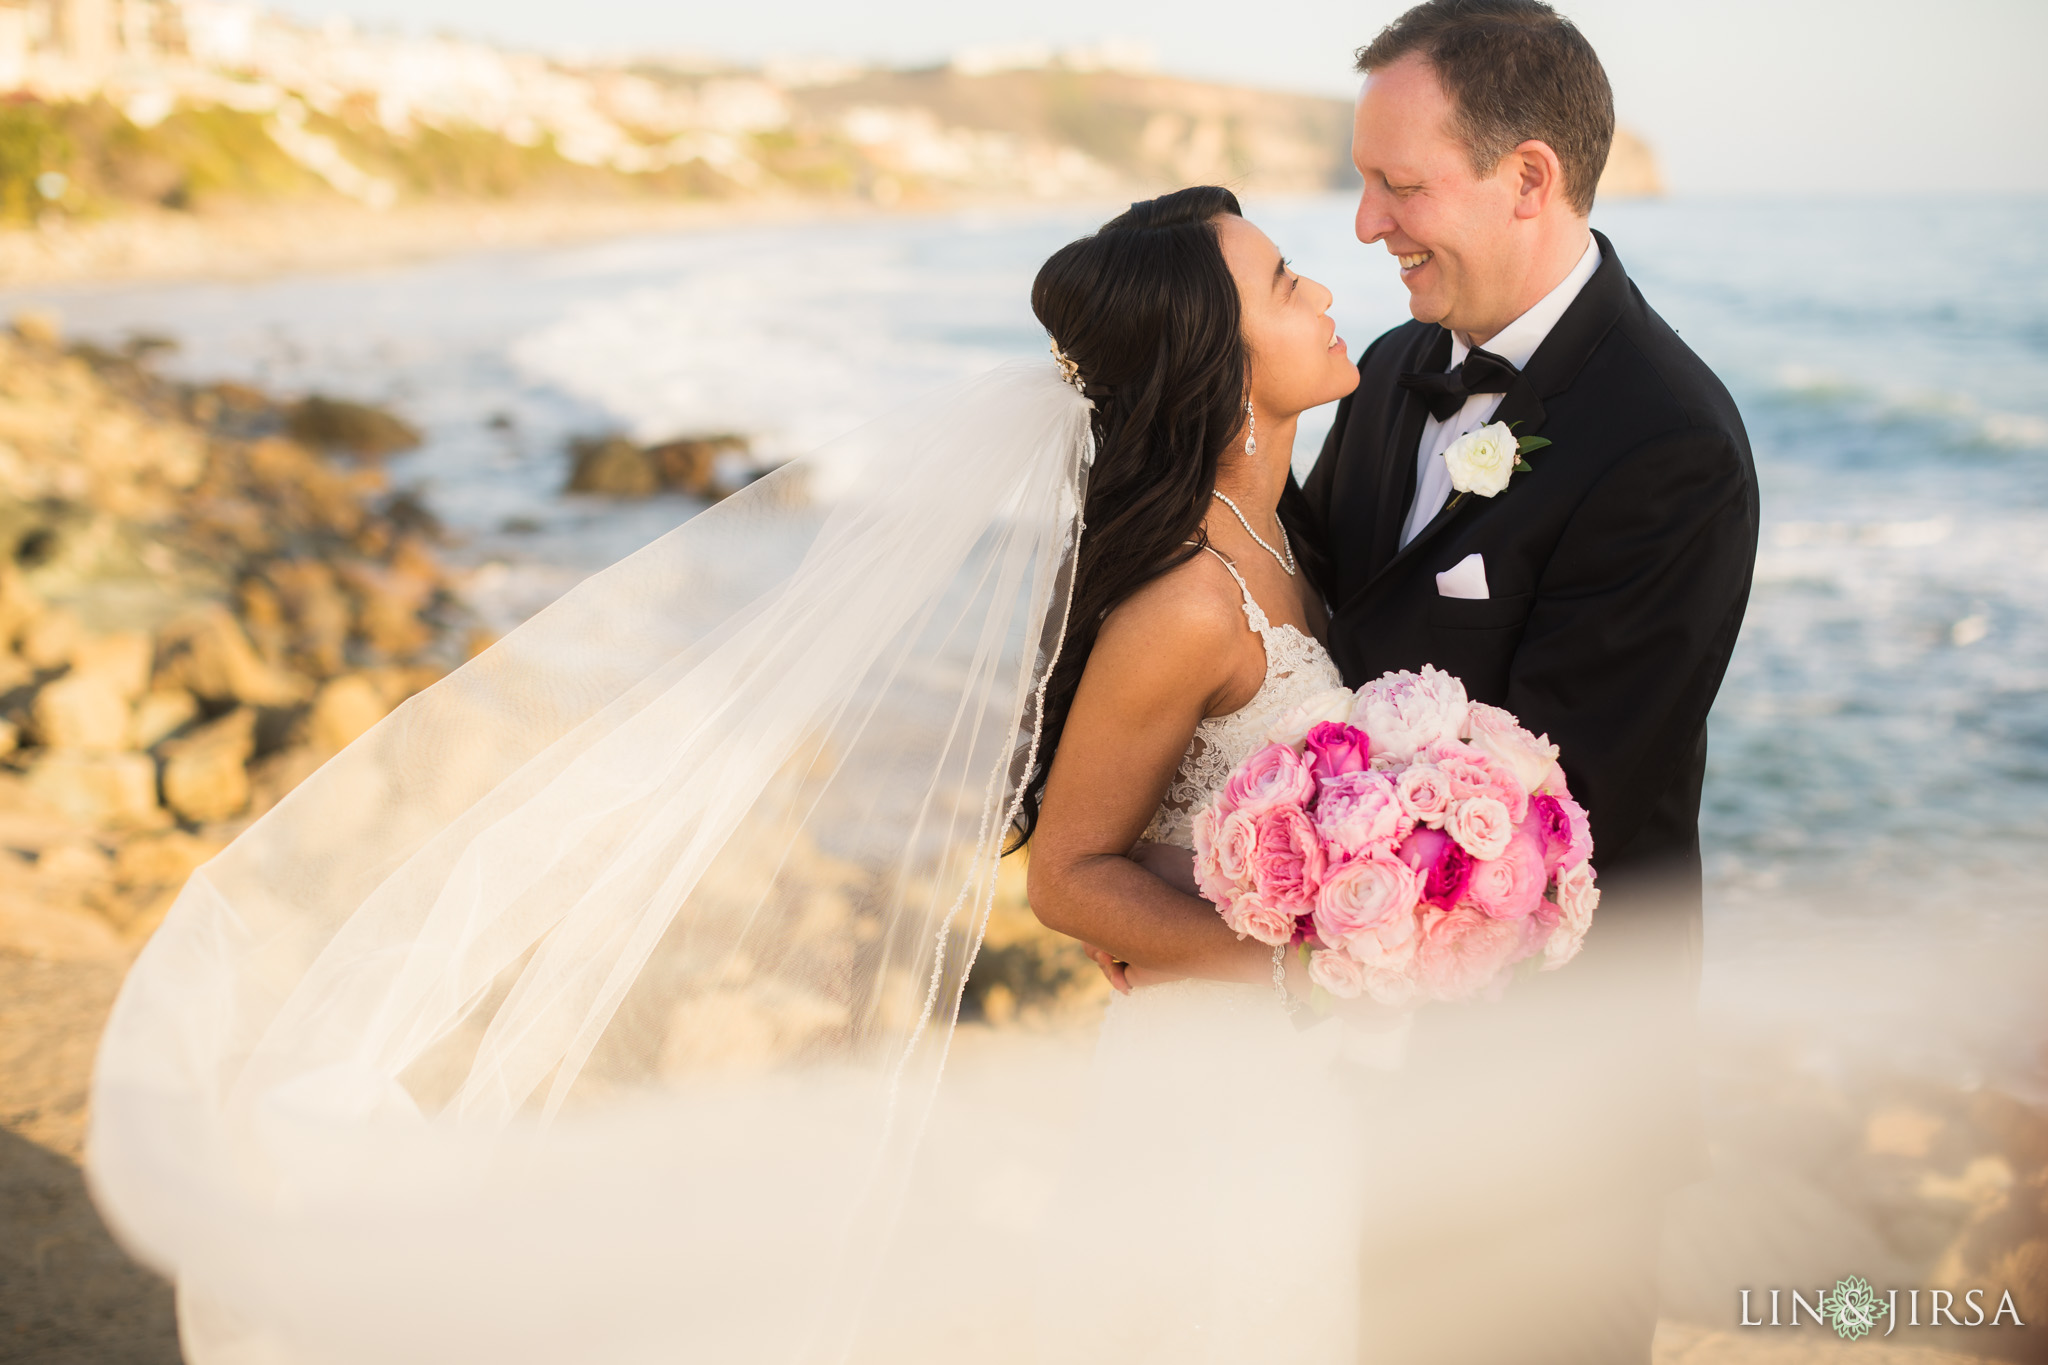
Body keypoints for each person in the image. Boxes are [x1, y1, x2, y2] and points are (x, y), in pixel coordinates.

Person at [1281, 2, 1759, 1360]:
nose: (1367, 225)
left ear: (1530, 177)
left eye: (1400, 184)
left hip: (1556, 1083)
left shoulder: (1667, 440)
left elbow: (1556, 799)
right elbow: (1312, 624)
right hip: (1364, 1065)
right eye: (1365, 181)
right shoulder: (1387, 372)